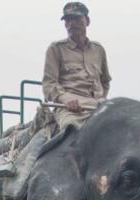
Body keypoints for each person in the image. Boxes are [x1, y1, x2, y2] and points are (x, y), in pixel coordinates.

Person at [42, 2, 111, 130]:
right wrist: (66, 99)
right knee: (71, 130)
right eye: (68, 20)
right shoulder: (56, 49)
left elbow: (105, 81)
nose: (71, 23)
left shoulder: (98, 50)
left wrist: (100, 99)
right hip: (71, 110)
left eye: (76, 18)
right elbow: (49, 84)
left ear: (87, 21)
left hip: (98, 108)